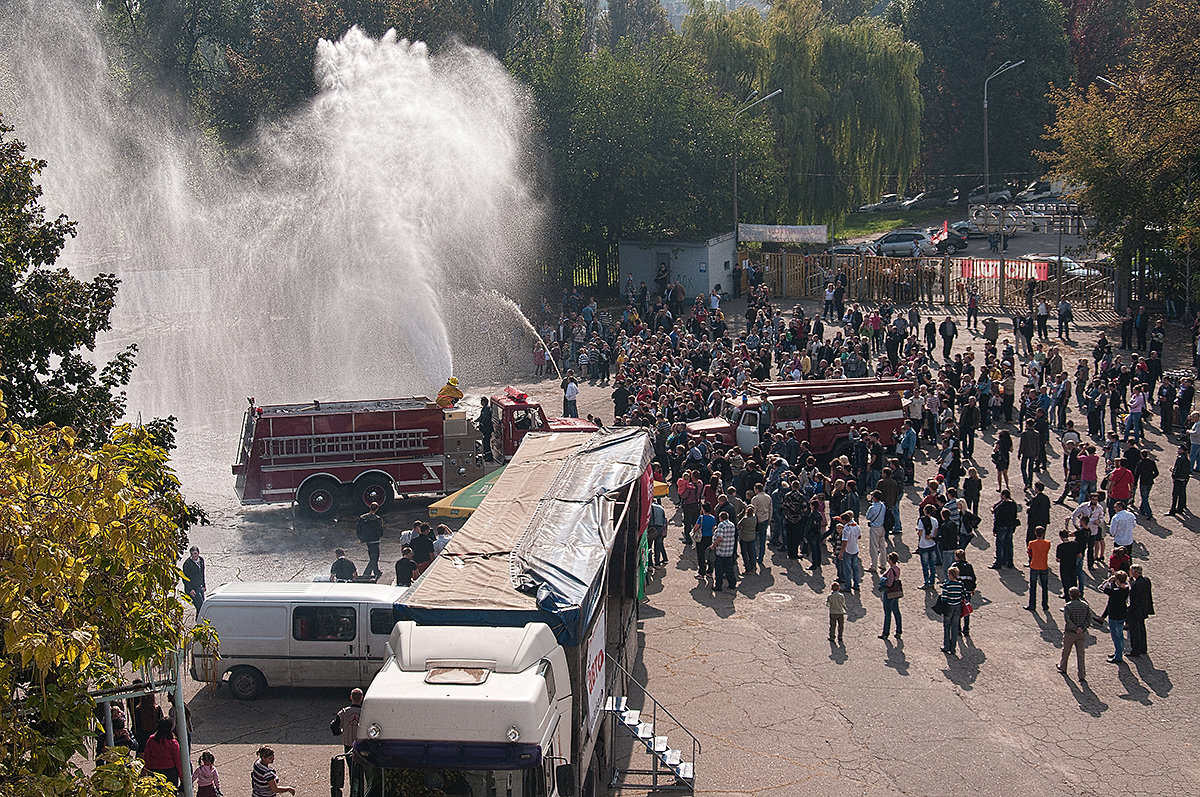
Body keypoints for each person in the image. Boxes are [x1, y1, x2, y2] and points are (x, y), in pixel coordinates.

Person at [1058, 587, 1093, 683]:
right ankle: (1081, 674)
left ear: (1070, 595)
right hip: (1082, 634)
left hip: (1070, 633)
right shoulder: (1085, 605)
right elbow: (1089, 619)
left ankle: (1063, 667)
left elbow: (1067, 620)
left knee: (1066, 651)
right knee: (1081, 654)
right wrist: (1082, 628)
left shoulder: (1068, 606)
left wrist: (1075, 628)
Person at [1099, 570, 1131, 663]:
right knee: (1120, 636)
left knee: (1116, 638)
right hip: (1122, 614)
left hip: (1114, 616)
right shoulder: (1126, 588)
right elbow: (1123, 584)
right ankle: (1118, 653)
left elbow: (1101, 587)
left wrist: (1108, 580)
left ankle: (1118, 657)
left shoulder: (1115, 592)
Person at [141, 717, 181, 786]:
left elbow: (147, 756)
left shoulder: (151, 740)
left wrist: (146, 769)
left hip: (155, 771)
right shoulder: (173, 743)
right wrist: (181, 775)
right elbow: (178, 760)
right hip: (170, 772)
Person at [1127, 564, 1155, 657]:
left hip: (1136, 611)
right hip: (1143, 609)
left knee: (1135, 631)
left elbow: (1134, 600)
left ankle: (1136, 650)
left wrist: (1129, 610)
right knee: (1142, 629)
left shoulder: (1136, 585)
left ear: (1134, 572)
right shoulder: (1146, 580)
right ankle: (1143, 648)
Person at [939, 566, 965, 655]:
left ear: (950, 575)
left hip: (949, 607)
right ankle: (953, 648)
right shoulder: (960, 584)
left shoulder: (947, 585)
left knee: (947, 627)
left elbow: (944, 598)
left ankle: (946, 646)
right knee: (954, 628)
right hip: (957, 607)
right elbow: (963, 595)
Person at [710, 510, 738, 593]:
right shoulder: (732, 525)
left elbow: (720, 538)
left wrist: (713, 546)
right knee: (729, 569)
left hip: (721, 551)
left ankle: (718, 586)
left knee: (719, 570)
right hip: (729, 550)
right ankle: (732, 584)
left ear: (720, 518)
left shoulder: (721, 525)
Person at [990, 489, 1018, 569]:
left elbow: (997, 518)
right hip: (1010, 526)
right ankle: (1009, 562)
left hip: (1002, 526)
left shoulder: (1002, 505)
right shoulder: (1013, 504)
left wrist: (994, 529)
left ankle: (999, 562)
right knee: (1009, 544)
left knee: (1000, 545)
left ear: (1004, 496)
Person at [356, 502, 384, 580]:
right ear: (377, 509)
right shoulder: (377, 518)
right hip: (375, 540)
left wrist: (361, 538)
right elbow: (380, 530)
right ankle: (366, 573)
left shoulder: (363, 518)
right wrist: (379, 536)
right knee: (375, 557)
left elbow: (358, 529)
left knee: (372, 554)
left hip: (367, 540)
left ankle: (376, 571)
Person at [1026, 526, 1051, 611]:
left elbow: (1029, 553)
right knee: (1044, 586)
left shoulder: (1032, 543)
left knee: (1033, 586)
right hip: (1044, 565)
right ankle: (1045, 605)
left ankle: (1032, 604)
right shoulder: (1047, 543)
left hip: (1034, 565)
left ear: (1035, 533)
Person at [837, 512, 862, 593]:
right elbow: (859, 536)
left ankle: (847, 586)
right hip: (855, 549)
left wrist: (841, 553)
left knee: (847, 569)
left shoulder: (846, 529)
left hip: (848, 550)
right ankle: (856, 585)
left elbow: (844, 542)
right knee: (855, 568)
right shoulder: (857, 526)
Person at [916, 504, 940, 589]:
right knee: (932, 565)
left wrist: (917, 531)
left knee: (925, 565)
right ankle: (932, 582)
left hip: (924, 545)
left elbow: (920, 533)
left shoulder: (921, 520)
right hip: (932, 544)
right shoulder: (935, 520)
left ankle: (926, 582)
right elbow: (936, 533)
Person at [332, 688, 364, 752]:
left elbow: (334, 725)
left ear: (351, 697)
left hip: (348, 743)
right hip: (361, 743)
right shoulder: (364, 712)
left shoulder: (344, 712)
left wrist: (339, 732)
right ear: (362, 698)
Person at [954, 549, 977, 637]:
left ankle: (958, 629)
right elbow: (973, 578)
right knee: (966, 610)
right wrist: (973, 588)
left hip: (958, 592)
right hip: (967, 591)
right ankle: (966, 629)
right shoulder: (969, 566)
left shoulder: (955, 566)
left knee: (958, 611)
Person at [865, 490, 887, 574]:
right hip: (882, 527)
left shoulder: (872, 508)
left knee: (873, 547)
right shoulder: (883, 505)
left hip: (874, 528)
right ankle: (883, 564)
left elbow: (868, 516)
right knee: (882, 546)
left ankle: (873, 565)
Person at [1055, 529, 1081, 599]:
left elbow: (1058, 559)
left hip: (1064, 566)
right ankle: (1075, 596)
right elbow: (1079, 555)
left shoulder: (1060, 547)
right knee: (1073, 581)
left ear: (1061, 537)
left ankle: (1067, 596)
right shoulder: (1075, 544)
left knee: (1066, 583)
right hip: (1073, 565)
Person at [182, 546, 206, 612]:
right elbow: (185, 578)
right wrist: (190, 589)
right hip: (193, 588)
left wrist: (204, 585)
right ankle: (199, 620)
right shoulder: (187, 564)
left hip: (199, 586)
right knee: (200, 606)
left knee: (203, 605)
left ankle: (200, 620)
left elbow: (202, 573)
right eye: (192, 554)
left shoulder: (201, 560)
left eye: (195, 553)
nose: (193, 556)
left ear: (198, 553)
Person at [736, 504, 758, 575]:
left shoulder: (745, 519)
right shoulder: (754, 518)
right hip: (752, 537)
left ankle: (747, 568)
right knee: (751, 552)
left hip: (744, 537)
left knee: (744, 553)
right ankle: (752, 565)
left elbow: (739, 525)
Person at [1169, 445, 1191, 515]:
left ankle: (1172, 510)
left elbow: (1177, 469)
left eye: (1179, 449)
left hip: (1178, 479)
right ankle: (1180, 508)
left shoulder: (1180, 458)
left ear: (1182, 450)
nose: (1178, 450)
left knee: (1175, 495)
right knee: (1181, 494)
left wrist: (1174, 476)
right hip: (1183, 479)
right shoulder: (1187, 459)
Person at [649, 498, 668, 567]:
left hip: (652, 529)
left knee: (649, 547)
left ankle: (650, 565)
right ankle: (657, 563)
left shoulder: (650, 508)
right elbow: (664, 520)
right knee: (658, 547)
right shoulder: (661, 508)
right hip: (660, 529)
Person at [478, 396, 494, 462]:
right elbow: (481, 416)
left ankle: (489, 457)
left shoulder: (487, 409)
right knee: (485, 442)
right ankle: (486, 454)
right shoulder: (484, 408)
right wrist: (477, 420)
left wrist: (481, 424)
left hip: (487, 429)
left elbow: (486, 418)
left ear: (484, 402)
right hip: (485, 429)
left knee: (487, 443)